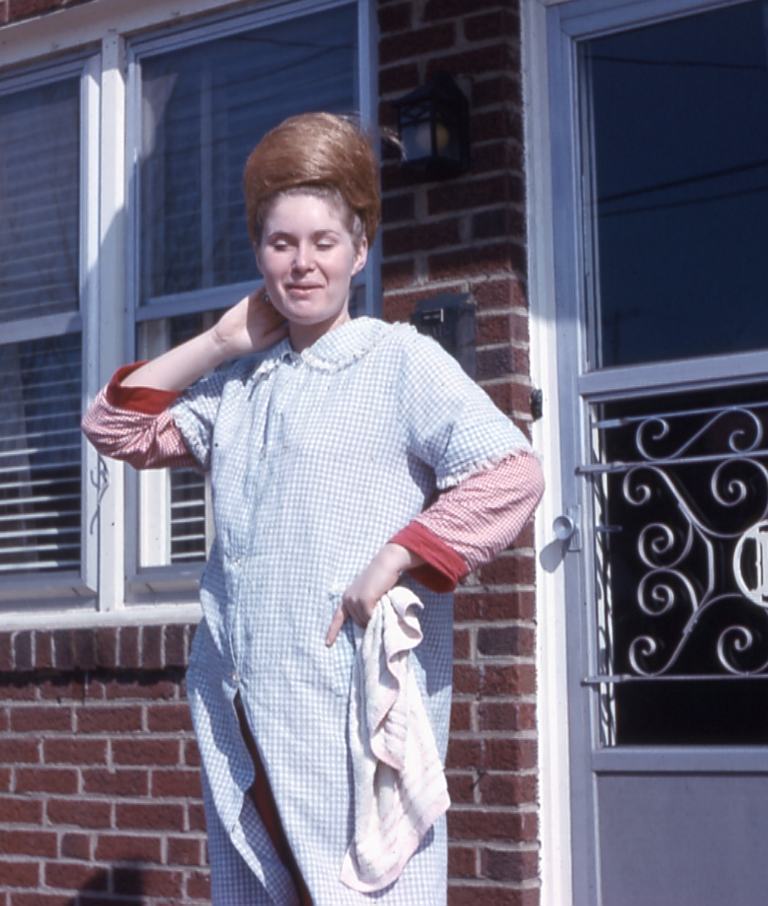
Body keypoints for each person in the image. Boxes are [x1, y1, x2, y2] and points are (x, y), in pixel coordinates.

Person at [81, 112, 544, 905]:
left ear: (359, 250)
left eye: (323, 242)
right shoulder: (238, 387)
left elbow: (509, 473)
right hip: (238, 703)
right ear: (258, 254)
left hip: (343, 703)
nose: (301, 264)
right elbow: (113, 427)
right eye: (280, 243)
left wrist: (396, 557)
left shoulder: (398, 360)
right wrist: (221, 341)